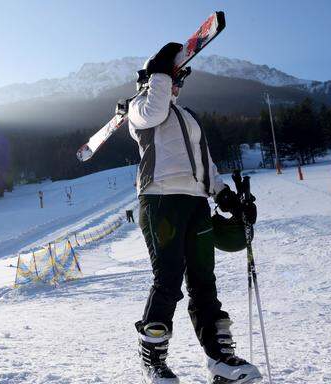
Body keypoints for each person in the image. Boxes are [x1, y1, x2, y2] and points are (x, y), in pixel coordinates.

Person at [128, 42, 261, 384]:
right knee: (169, 279)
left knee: (204, 281)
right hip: (160, 200)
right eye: (172, 78)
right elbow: (156, 108)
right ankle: (154, 361)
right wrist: (160, 69)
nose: (176, 85)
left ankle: (221, 359)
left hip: (196, 201)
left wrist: (224, 195)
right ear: (152, 78)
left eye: (178, 80)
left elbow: (205, 163)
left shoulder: (188, 117)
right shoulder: (140, 109)